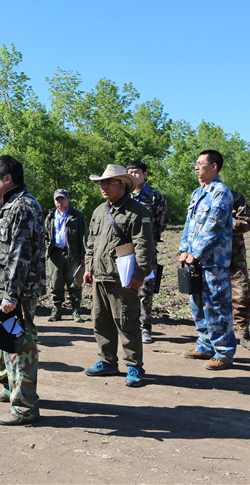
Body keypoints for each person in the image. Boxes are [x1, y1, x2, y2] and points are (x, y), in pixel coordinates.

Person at [0, 155, 46, 425]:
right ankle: (10, 388)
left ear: (7, 179)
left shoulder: (23, 206)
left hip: (17, 291)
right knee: (6, 341)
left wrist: (11, 294)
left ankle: (24, 407)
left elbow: (20, 254)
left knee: (20, 346)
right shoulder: (10, 204)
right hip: (6, 287)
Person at [82, 165, 154, 387]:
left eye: (108, 183)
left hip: (123, 278)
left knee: (127, 322)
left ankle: (134, 366)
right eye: (101, 183)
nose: (103, 187)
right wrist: (88, 267)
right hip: (100, 276)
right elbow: (91, 243)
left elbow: (144, 246)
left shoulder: (137, 211)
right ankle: (107, 362)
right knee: (100, 321)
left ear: (122, 185)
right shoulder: (98, 211)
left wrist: (139, 274)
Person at [179, 150, 236, 370]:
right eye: (196, 163)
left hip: (214, 263)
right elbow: (189, 224)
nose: (196, 167)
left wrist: (195, 252)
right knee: (197, 305)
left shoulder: (221, 193)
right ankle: (205, 346)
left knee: (217, 307)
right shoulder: (197, 193)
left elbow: (213, 225)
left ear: (214, 166)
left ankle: (223, 353)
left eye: (201, 163)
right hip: (195, 261)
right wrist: (184, 249)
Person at [127, 161, 170, 343]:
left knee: (145, 290)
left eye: (137, 172)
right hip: (125, 250)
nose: (133, 175)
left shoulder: (154, 196)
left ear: (144, 175)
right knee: (125, 288)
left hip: (146, 250)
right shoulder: (123, 194)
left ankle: (145, 327)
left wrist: (151, 238)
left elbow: (163, 219)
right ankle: (128, 326)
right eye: (130, 172)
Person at [44, 189, 88, 323]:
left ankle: (76, 310)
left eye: (62, 199)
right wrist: (46, 250)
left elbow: (84, 236)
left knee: (75, 283)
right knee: (55, 282)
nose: (60, 202)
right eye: (57, 199)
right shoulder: (50, 216)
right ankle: (56, 310)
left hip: (73, 254)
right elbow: (45, 235)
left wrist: (84, 255)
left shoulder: (77, 215)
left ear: (68, 199)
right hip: (55, 254)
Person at [229, 190, 250, 351]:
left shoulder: (235, 197)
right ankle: (213, 336)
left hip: (234, 258)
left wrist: (224, 224)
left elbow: (246, 222)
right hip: (209, 257)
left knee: (242, 295)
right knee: (209, 298)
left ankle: (244, 334)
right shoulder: (201, 196)